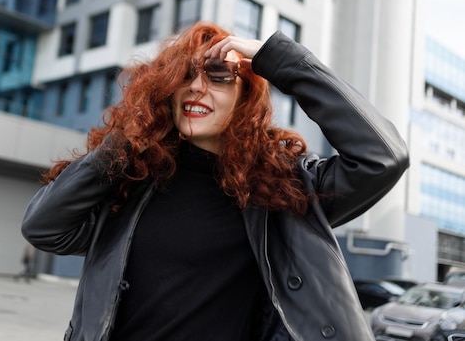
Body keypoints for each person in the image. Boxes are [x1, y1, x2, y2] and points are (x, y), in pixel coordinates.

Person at [21, 21, 409, 341]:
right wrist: (123, 142)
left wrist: (278, 58)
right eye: (184, 76)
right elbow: (43, 226)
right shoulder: (134, 177)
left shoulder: (284, 189)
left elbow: (382, 156)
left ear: (244, 101)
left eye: (219, 75)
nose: (196, 87)